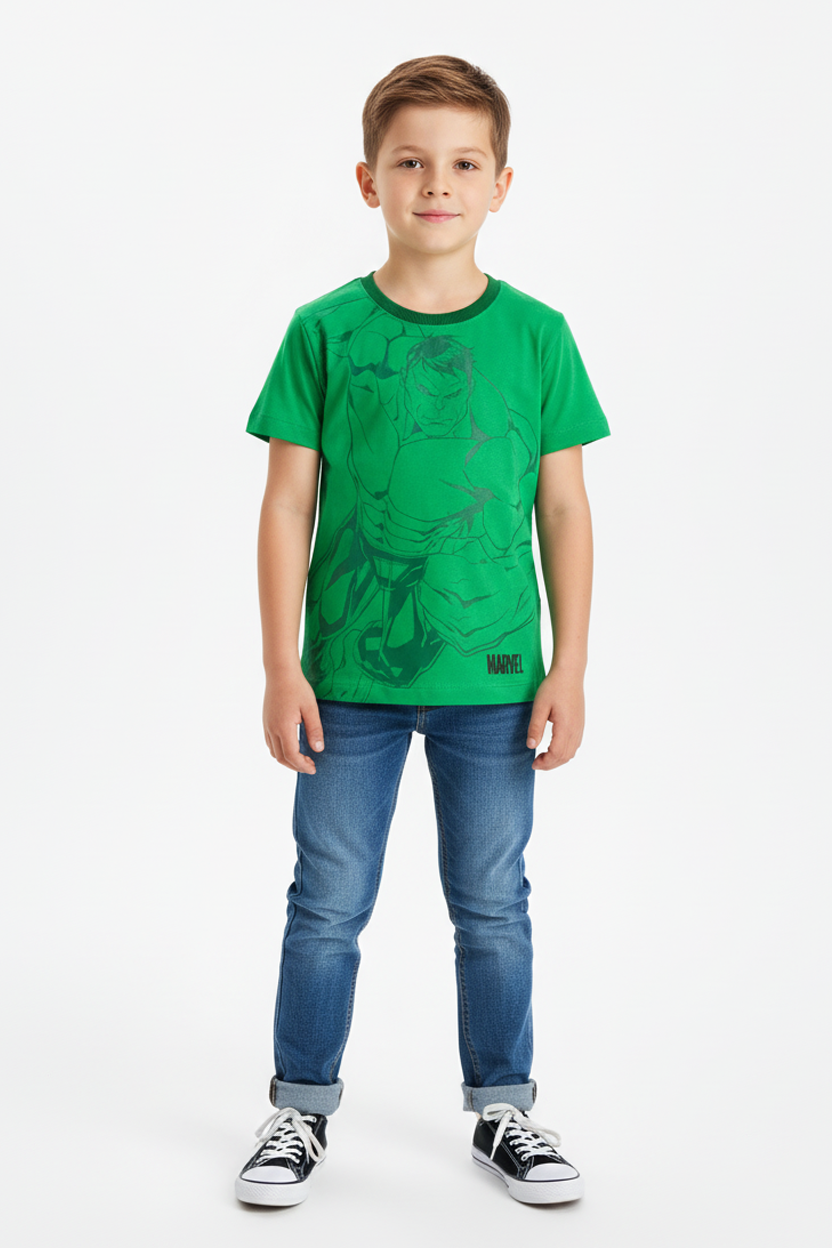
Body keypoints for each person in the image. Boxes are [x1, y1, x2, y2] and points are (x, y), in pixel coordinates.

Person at [235, 54, 611, 1208]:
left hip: (494, 680)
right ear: (368, 181)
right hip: (345, 680)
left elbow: (562, 508)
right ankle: (299, 1110)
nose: (435, 183)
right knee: (326, 899)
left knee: (491, 900)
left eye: (461, 163)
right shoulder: (323, 331)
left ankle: (504, 1109)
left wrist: (569, 667)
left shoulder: (538, 336)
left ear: (501, 184)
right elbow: (287, 505)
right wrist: (281, 665)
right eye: (409, 162)